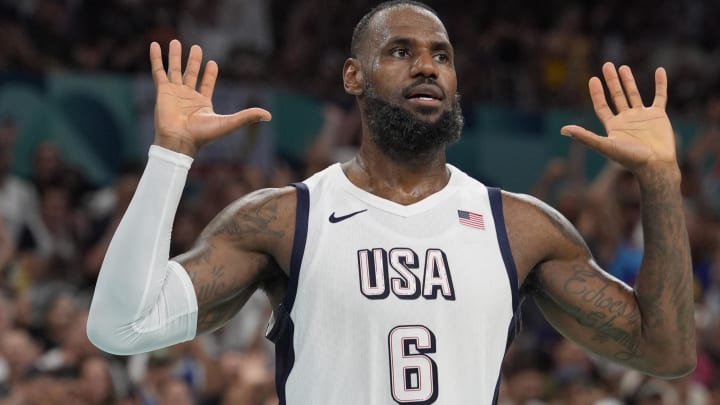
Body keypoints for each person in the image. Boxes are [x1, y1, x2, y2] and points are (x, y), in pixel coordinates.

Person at [86, 1, 696, 403]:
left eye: (441, 55)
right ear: (353, 76)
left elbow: (665, 351)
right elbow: (120, 326)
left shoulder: (522, 227)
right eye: (401, 51)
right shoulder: (283, 220)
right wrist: (170, 156)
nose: (426, 66)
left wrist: (662, 182)